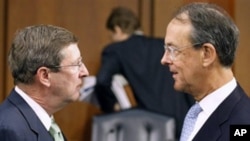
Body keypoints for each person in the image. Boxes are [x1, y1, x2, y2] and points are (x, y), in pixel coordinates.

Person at [94, 6, 194, 139]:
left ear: (117, 29)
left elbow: (102, 80)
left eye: (111, 35)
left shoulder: (116, 50)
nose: (112, 39)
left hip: (150, 125)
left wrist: (112, 106)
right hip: (183, 120)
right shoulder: (162, 45)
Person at [161, 2, 250, 141]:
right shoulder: (196, 112)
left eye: (173, 50)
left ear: (207, 54)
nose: (164, 60)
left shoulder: (242, 126)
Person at [0, 25, 89, 141]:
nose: (85, 72)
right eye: (76, 64)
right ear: (45, 76)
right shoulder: (10, 131)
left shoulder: (45, 122)